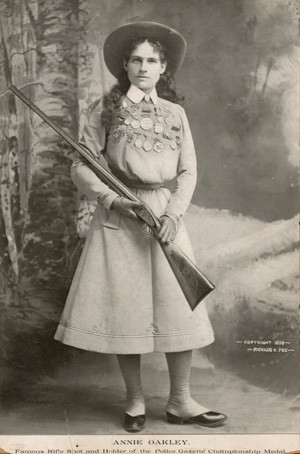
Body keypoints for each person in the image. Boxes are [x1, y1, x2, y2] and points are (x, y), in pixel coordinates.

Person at [54, 21, 227, 432]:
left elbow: (188, 172)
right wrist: (113, 199)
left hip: (164, 214)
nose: (144, 67)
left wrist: (172, 215)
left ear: (163, 67)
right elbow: (80, 165)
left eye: (152, 60)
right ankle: (134, 402)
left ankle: (180, 401)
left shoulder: (175, 113)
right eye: (136, 60)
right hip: (120, 214)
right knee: (125, 309)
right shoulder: (105, 110)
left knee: (178, 305)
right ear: (125, 66)